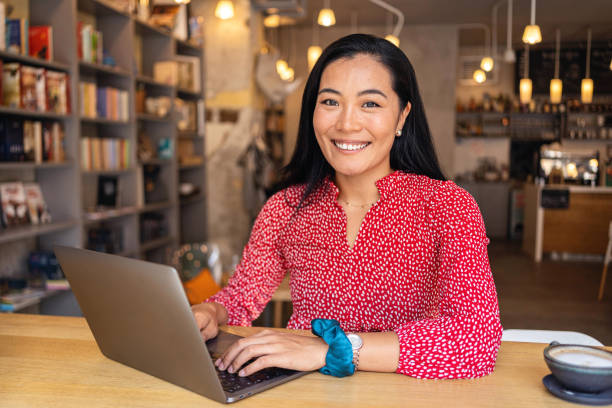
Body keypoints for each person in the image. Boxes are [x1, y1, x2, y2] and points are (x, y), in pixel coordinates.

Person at [192, 33, 502, 380]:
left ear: (402, 116)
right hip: (303, 393)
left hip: (407, 396)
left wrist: (333, 349)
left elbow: (477, 339)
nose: (346, 124)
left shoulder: (447, 205)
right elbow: (240, 298)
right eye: (330, 102)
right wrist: (212, 311)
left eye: (370, 104)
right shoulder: (285, 208)